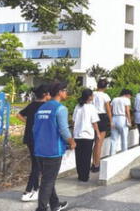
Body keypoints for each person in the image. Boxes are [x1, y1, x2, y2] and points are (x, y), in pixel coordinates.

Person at [33, 81, 75, 211]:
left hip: (39, 149)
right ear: (60, 92)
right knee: (48, 181)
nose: (66, 93)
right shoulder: (60, 108)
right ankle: (41, 208)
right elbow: (63, 129)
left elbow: (34, 129)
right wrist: (71, 141)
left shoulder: (41, 108)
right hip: (53, 150)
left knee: (47, 178)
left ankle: (55, 205)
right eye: (65, 90)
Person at [18, 84, 50, 202]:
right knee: (37, 166)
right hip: (39, 139)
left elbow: (19, 115)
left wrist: (28, 122)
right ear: (45, 94)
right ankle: (27, 191)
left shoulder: (31, 105)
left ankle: (36, 189)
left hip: (29, 138)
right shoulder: (45, 106)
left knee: (35, 164)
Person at [72, 89, 100, 182]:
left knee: (78, 156)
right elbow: (94, 123)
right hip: (88, 135)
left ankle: (80, 175)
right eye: (92, 95)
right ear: (89, 97)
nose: (93, 97)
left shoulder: (77, 106)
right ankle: (85, 176)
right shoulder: (91, 107)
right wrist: (98, 133)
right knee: (86, 157)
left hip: (77, 135)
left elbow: (74, 121)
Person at [91, 79, 111, 173]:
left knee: (95, 142)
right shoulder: (105, 96)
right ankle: (96, 164)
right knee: (99, 143)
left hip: (92, 116)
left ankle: (93, 162)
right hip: (102, 117)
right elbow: (108, 109)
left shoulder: (92, 94)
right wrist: (111, 121)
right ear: (105, 87)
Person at [109, 89, 132, 155]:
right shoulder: (126, 100)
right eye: (130, 96)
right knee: (124, 138)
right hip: (122, 118)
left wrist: (111, 120)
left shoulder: (114, 99)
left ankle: (112, 155)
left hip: (114, 118)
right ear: (127, 94)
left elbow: (110, 110)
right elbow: (127, 111)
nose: (130, 97)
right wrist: (129, 121)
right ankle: (124, 154)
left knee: (113, 139)